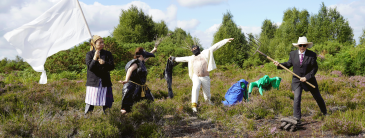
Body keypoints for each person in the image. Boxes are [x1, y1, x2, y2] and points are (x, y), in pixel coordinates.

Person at [170, 38, 234, 112]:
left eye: (195, 48)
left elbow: (215, 46)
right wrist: (173, 58)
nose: (194, 49)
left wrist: (225, 41)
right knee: (195, 88)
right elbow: (182, 59)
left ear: (198, 48)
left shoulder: (205, 53)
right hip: (196, 76)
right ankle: (194, 106)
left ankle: (208, 102)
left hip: (205, 77)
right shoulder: (191, 58)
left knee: (207, 94)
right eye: (193, 49)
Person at [273, 36, 327, 122]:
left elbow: (314, 68)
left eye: (304, 45)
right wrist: (279, 65)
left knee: (318, 97)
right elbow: (288, 64)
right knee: (297, 98)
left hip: (309, 80)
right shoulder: (293, 54)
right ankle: (297, 118)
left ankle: (325, 113)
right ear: (298, 45)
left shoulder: (312, 55)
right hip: (297, 80)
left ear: (306, 46)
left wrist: (307, 77)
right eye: (300, 45)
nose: (302, 47)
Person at [118, 47, 157, 114]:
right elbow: (130, 70)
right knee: (126, 108)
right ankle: (121, 120)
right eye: (144, 55)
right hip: (133, 87)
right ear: (141, 56)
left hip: (141, 87)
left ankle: (144, 117)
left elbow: (147, 57)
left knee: (149, 102)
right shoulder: (136, 63)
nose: (145, 57)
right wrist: (126, 80)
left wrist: (153, 50)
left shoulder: (141, 62)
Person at [85, 35, 115, 115]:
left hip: (105, 82)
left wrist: (104, 63)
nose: (102, 44)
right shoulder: (89, 54)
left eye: (103, 42)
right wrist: (94, 58)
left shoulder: (108, 54)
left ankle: (109, 120)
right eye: (100, 42)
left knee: (107, 104)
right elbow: (90, 68)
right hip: (93, 83)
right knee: (90, 103)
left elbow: (112, 66)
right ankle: (87, 119)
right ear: (94, 44)